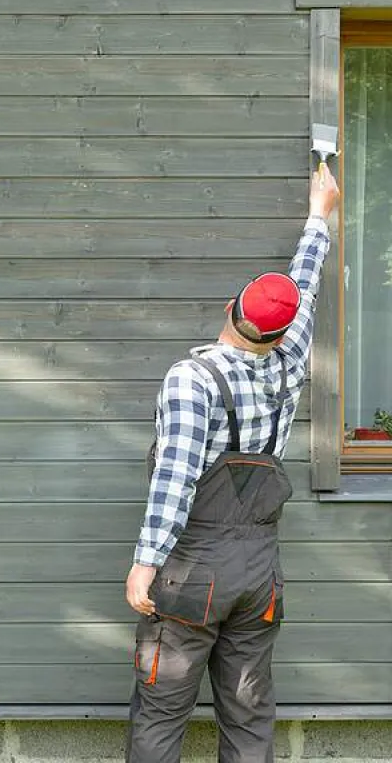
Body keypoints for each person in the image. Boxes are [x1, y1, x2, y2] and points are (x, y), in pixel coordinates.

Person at [125, 166, 341, 763]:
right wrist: (318, 215)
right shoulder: (291, 358)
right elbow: (305, 287)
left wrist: (146, 563)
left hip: (193, 569)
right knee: (249, 714)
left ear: (230, 307)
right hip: (259, 572)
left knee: (162, 711)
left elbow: (176, 475)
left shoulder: (191, 380)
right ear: (279, 332)